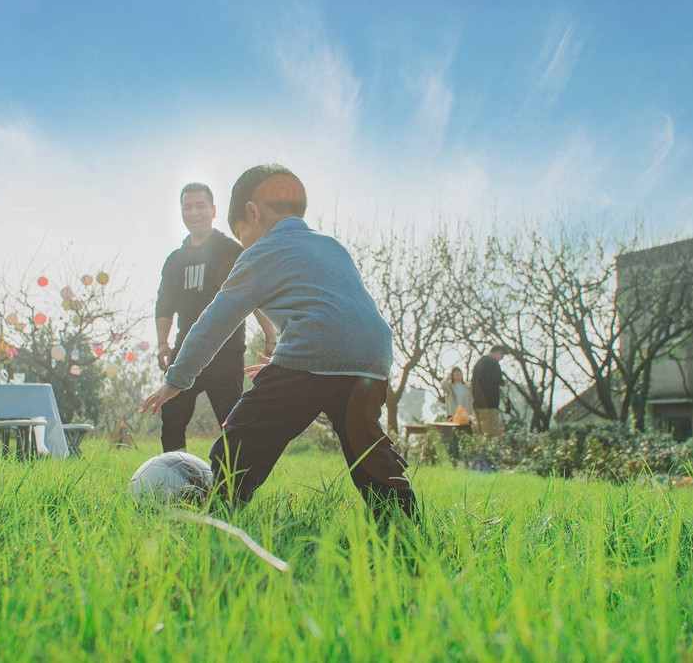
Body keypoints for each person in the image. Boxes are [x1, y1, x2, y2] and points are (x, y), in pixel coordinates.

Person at [142, 164, 417, 520]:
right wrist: (286, 359)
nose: (244, 244)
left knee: (247, 432)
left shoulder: (259, 253)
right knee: (367, 449)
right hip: (371, 356)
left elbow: (214, 321)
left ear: (252, 213)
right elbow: (335, 313)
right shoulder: (332, 247)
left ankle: (216, 511)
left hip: (312, 353)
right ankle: (404, 525)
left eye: (241, 234)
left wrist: (176, 379)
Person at [154, 181, 276, 452]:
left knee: (232, 421)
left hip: (226, 352)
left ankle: (230, 488)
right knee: (172, 418)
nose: (194, 212)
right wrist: (163, 343)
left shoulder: (232, 251)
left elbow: (255, 295)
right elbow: (164, 305)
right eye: (188, 207)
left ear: (213, 210)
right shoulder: (175, 260)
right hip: (185, 351)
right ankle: (177, 480)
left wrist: (271, 335)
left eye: (200, 206)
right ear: (181, 212)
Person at [471, 345, 507, 438]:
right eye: (501, 357)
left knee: (480, 434)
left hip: (477, 404)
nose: (500, 359)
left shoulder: (478, 363)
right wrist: (503, 382)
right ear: (499, 353)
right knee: (492, 436)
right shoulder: (493, 363)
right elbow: (497, 379)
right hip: (489, 405)